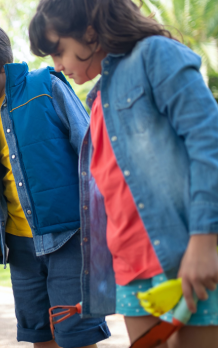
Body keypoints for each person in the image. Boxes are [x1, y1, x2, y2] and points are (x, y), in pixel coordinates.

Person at [28, 0, 218, 347]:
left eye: (59, 52)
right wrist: (99, 284)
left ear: (89, 32)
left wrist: (205, 240)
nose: (57, 66)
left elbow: (210, 143)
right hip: (132, 270)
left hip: (185, 256)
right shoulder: (99, 98)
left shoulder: (156, 55)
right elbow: (110, 197)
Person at [0, 20, 110, 348]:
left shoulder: (45, 88)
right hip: (20, 249)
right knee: (39, 335)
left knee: (76, 335)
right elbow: (2, 193)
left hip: (68, 238)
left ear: (0, 63)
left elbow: (92, 153)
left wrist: (110, 219)